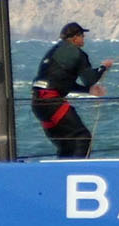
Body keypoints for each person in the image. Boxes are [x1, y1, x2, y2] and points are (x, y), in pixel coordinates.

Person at [30, 22, 114, 159]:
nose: (84, 39)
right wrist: (103, 67)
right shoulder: (77, 54)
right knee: (83, 137)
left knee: (67, 145)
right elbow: (90, 79)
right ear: (75, 38)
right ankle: (78, 170)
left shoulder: (54, 50)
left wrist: (89, 90)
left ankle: (63, 170)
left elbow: (62, 82)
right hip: (52, 102)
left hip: (37, 103)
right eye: (82, 36)